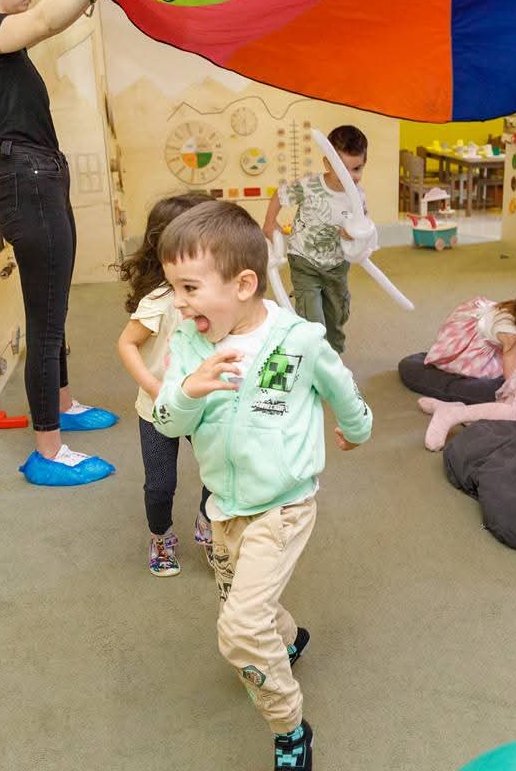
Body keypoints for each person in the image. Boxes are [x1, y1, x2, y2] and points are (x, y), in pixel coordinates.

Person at [152, 201, 372, 771]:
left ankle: (290, 726)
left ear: (244, 284)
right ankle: (289, 640)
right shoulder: (188, 344)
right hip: (223, 510)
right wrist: (190, 390)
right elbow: (166, 421)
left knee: (240, 631)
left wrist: (357, 428)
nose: (179, 302)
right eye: (173, 288)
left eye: (190, 288)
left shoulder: (297, 340)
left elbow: (341, 385)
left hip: (283, 506)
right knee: (247, 605)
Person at [0, 0, 117, 486]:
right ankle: (48, 449)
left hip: (41, 177)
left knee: (54, 308)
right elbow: (44, 20)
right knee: (44, 320)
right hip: (29, 182)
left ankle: (62, 405)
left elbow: (48, 23)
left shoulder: (2, 43)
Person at [116, 193, 215, 576]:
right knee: (160, 484)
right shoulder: (159, 301)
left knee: (221, 471)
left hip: (204, 405)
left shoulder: (215, 294)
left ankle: (208, 523)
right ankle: (161, 536)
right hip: (159, 409)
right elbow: (127, 344)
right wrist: (154, 388)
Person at [261, 125, 369, 353]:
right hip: (304, 260)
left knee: (337, 315)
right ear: (328, 163)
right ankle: (314, 355)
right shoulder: (309, 186)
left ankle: (334, 354)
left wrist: (354, 235)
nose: (350, 177)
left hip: (337, 265)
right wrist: (270, 223)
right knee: (313, 318)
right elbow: (280, 196)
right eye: (342, 169)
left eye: (357, 169)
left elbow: (363, 228)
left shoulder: (358, 197)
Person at [424, 278, 516, 381]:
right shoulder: (512, 336)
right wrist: (514, 390)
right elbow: (509, 372)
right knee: (509, 368)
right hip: (476, 335)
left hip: (495, 322)